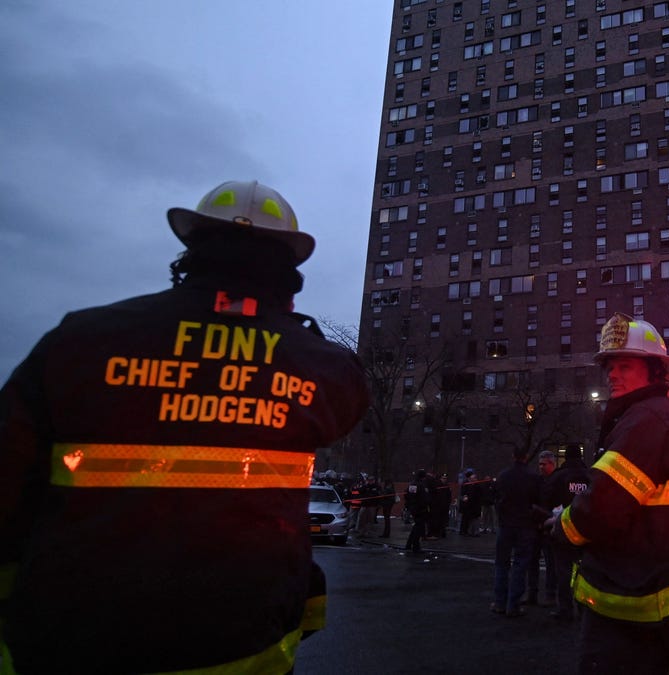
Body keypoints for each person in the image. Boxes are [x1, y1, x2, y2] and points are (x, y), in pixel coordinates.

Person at [0, 180, 369, 674]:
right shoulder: (323, 367)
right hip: (243, 640)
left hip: (70, 636)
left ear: (191, 248)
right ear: (289, 266)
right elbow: (340, 416)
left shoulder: (81, 340)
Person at [550, 313, 669, 673]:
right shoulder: (667, 417)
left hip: (628, 605)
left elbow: (601, 506)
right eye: (610, 367)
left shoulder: (645, 421)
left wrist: (562, 526)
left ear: (654, 371)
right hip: (655, 598)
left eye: (624, 365)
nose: (613, 375)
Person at [492, 447, 541, 617]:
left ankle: (499, 602)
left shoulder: (503, 476)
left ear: (513, 456)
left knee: (501, 564)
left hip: (506, 524)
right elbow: (538, 500)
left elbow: (496, 498)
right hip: (525, 525)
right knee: (520, 565)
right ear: (526, 457)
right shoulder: (533, 477)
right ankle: (513, 604)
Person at [544, 444, 590, 622]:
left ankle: (565, 608)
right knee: (584, 570)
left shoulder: (559, 477)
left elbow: (547, 500)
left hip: (563, 528)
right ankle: (584, 606)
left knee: (563, 570)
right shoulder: (590, 476)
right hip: (585, 530)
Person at [526, 449, 558, 607]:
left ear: (552, 464)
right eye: (539, 464)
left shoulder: (553, 481)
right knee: (537, 560)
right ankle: (538, 593)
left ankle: (547, 593)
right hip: (541, 525)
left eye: (543, 464)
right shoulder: (542, 481)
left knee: (549, 561)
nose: (540, 467)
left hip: (546, 525)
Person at [404, 469, 432, 557]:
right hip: (420, 509)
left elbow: (408, 495)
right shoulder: (421, 485)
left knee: (417, 526)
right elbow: (424, 498)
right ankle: (415, 547)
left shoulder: (412, 484)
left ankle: (409, 544)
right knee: (419, 527)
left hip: (414, 508)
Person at [458, 468, 483, 536]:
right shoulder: (466, 483)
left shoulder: (475, 484)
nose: (474, 477)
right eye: (473, 476)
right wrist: (465, 498)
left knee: (471, 519)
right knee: (465, 519)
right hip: (467, 505)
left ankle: (471, 531)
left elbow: (479, 492)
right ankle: (463, 531)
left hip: (473, 505)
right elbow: (464, 493)